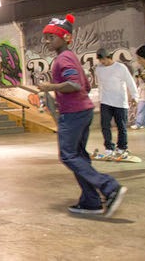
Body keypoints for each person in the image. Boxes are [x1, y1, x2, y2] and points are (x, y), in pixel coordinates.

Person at [38, 14, 126, 217]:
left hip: (74, 113)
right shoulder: (71, 57)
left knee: (68, 155)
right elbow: (85, 85)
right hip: (82, 110)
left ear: (65, 37)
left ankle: (110, 187)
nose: (47, 41)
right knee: (78, 156)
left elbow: (75, 85)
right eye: (47, 37)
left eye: (52, 37)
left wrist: (50, 86)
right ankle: (91, 201)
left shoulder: (64, 59)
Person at [94, 48, 138, 158]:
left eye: (103, 59)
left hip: (120, 101)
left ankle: (122, 148)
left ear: (108, 57)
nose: (102, 62)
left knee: (121, 126)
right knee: (105, 125)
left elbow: (130, 82)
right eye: (100, 60)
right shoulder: (99, 69)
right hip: (105, 101)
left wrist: (135, 96)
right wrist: (100, 98)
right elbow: (100, 85)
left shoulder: (120, 68)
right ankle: (109, 148)